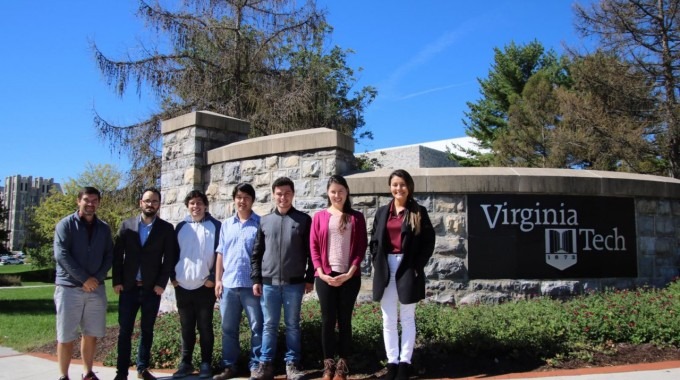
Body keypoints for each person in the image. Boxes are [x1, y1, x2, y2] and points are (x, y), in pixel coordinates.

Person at [370, 170, 435, 380]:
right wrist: (376, 260)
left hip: (408, 266)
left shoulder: (418, 211)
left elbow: (429, 241)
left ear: (409, 186)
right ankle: (392, 363)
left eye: (403, 184)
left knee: (407, 318)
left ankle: (405, 363)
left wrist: (418, 266)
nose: (399, 188)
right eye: (395, 184)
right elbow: (374, 240)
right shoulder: (382, 212)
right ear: (390, 187)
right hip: (385, 267)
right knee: (388, 318)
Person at [250, 177, 314, 380]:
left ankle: (292, 364)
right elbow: (257, 253)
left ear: (293, 194)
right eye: (279, 193)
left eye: (286, 193)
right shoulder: (265, 221)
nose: (283, 197)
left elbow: (311, 253)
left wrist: (310, 278)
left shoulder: (303, 220)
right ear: (273, 195)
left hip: (294, 283)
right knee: (269, 324)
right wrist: (256, 279)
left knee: (293, 324)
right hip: (269, 284)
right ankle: (265, 364)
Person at [112, 188, 177, 380]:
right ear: (141, 202)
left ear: (159, 204)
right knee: (125, 332)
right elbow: (117, 256)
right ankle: (121, 373)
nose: (151, 204)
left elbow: (169, 258)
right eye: (147, 201)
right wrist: (117, 281)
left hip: (151, 289)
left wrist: (161, 284)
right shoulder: (127, 226)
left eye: (155, 201)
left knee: (147, 330)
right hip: (128, 288)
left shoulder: (166, 229)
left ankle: (142, 369)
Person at [310, 175, 367, 380]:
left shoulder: (356, 217)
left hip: (349, 277)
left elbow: (361, 247)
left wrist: (351, 272)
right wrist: (322, 273)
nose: (337, 195)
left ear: (347, 192)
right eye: (333, 191)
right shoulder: (319, 217)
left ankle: (342, 366)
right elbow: (314, 247)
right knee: (327, 321)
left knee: (344, 321)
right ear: (328, 193)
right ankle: (328, 366)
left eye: (340, 191)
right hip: (325, 277)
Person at [53, 187, 114, 380]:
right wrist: (84, 279)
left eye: (94, 200)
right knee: (66, 335)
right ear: (78, 201)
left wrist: (96, 278)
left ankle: (87, 372)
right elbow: (61, 255)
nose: (90, 204)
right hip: (69, 288)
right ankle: (64, 375)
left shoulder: (103, 228)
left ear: (99, 203)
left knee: (91, 334)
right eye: (86, 200)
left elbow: (109, 255)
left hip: (96, 289)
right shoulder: (65, 225)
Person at [213, 183, 263, 380]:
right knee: (228, 328)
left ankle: (256, 365)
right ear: (234, 199)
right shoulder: (226, 224)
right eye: (239, 197)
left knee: (257, 327)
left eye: (246, 197)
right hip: (229, 285)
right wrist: (218, 280)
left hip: (252, 286)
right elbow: (220, 254)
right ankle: (229, 366)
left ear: (252, 200)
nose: (242, 201)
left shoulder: (260, 223)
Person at [172, 190, 221, 379]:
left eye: (199, 203)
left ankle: (206, 363)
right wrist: (173, 278)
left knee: (205, 326)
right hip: (182, 286)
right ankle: (185, 363)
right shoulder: (181, 227)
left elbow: (220, 254)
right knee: (186, 327)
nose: (196, 206)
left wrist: (212, 277)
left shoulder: (216, 226)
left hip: (204, 286)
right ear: (187, 206)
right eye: (192, 203)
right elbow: (172, 254)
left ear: (205, 205)